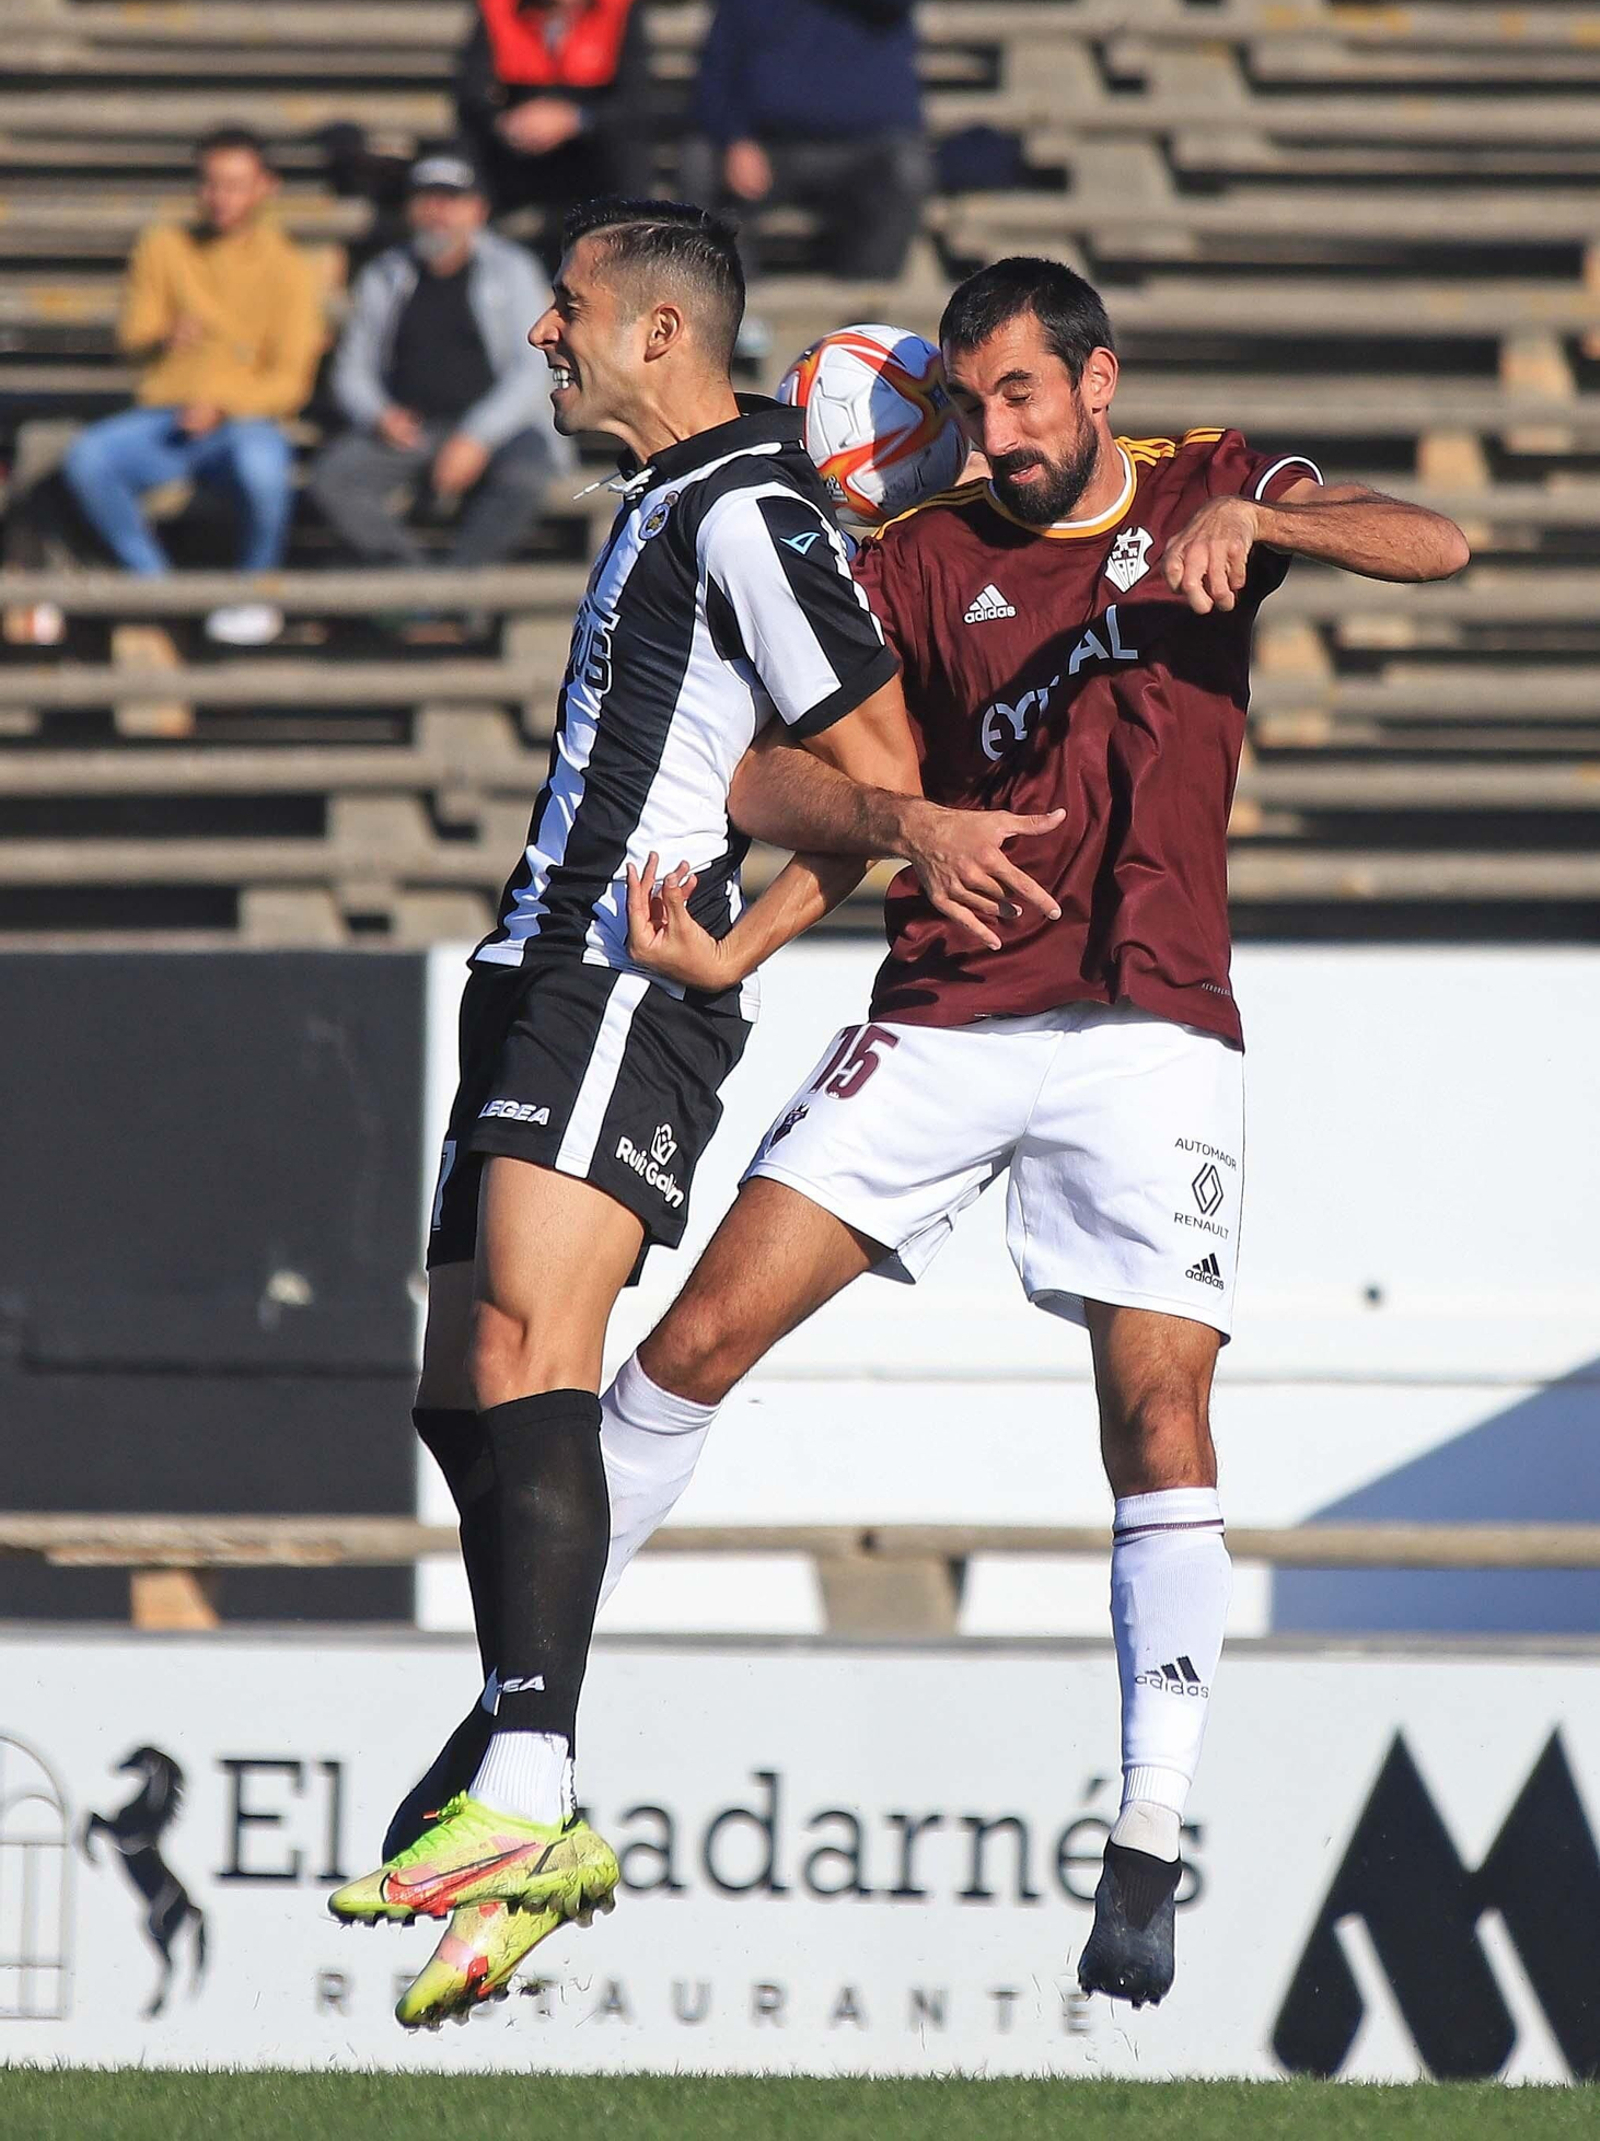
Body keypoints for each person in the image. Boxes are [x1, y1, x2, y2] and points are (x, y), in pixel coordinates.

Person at [590, 255, 1471, 2010]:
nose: (993, 435)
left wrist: (1271, 531)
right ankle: (521, 1713)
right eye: (969, 402)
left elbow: (1437, 543)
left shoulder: (1214, 481)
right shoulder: (919, 559)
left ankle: (1146, 1837)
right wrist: (868, 860)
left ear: (1096, 384)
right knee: (690, 1343)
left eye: (1020, 397)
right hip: (946, 1013)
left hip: (1151, 1032)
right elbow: (773, 778)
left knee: (1160, 1415)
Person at [324, 198, 1055, 2027]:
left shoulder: (747, 505)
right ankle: (518, 1749)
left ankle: (528, 1783)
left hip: (617, 976)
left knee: (529, 1344)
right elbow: (777, 771)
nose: (540, 334)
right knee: (455, 1388)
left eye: (567, 307)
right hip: (535, 963)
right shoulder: (674, 499)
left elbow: (877, 770)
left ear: (660, 331)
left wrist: (743, 941)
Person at [62, 129, 324, 645]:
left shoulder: (289, 267)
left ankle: (254, 591)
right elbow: (131, 335)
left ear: (265, 187)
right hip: (167, 418)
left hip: (242, 422)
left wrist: (223, 406)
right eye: (211, 183)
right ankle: (157, 587)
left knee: (264, 465)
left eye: (235, 185)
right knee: (88, 457)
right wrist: (165, 334)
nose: (220, 197)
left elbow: (291, 382)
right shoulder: (163, 246)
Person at [309, 147, 573, 570]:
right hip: (409, 431)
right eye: (426, 198)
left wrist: (476, 436)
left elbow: (531, 371)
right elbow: (352, 371)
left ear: (478, 210)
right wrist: (380, 416)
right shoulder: (384, 275)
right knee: (334, 478)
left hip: (502, 429)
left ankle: (457, 587)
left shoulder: (512, 269)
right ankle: (416, 588)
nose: (438, 212)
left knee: (524, 478)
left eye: (451, 200)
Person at [681, 0, 930, 286]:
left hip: (863, 152)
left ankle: (865, 308)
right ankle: (733, 304)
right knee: (700, 162)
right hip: (775, 151)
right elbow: (715, 77)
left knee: (908, 168)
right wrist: (736, 138)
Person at [456, 0, 653, 226]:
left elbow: (634, 100)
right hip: (516, 148)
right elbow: (470, 93)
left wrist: (575, 120)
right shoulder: (498, 2)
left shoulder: (620, 2)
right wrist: (506, 124)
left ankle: (627, 245)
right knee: (461, 152)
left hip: (587, 148)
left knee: (628, 147)